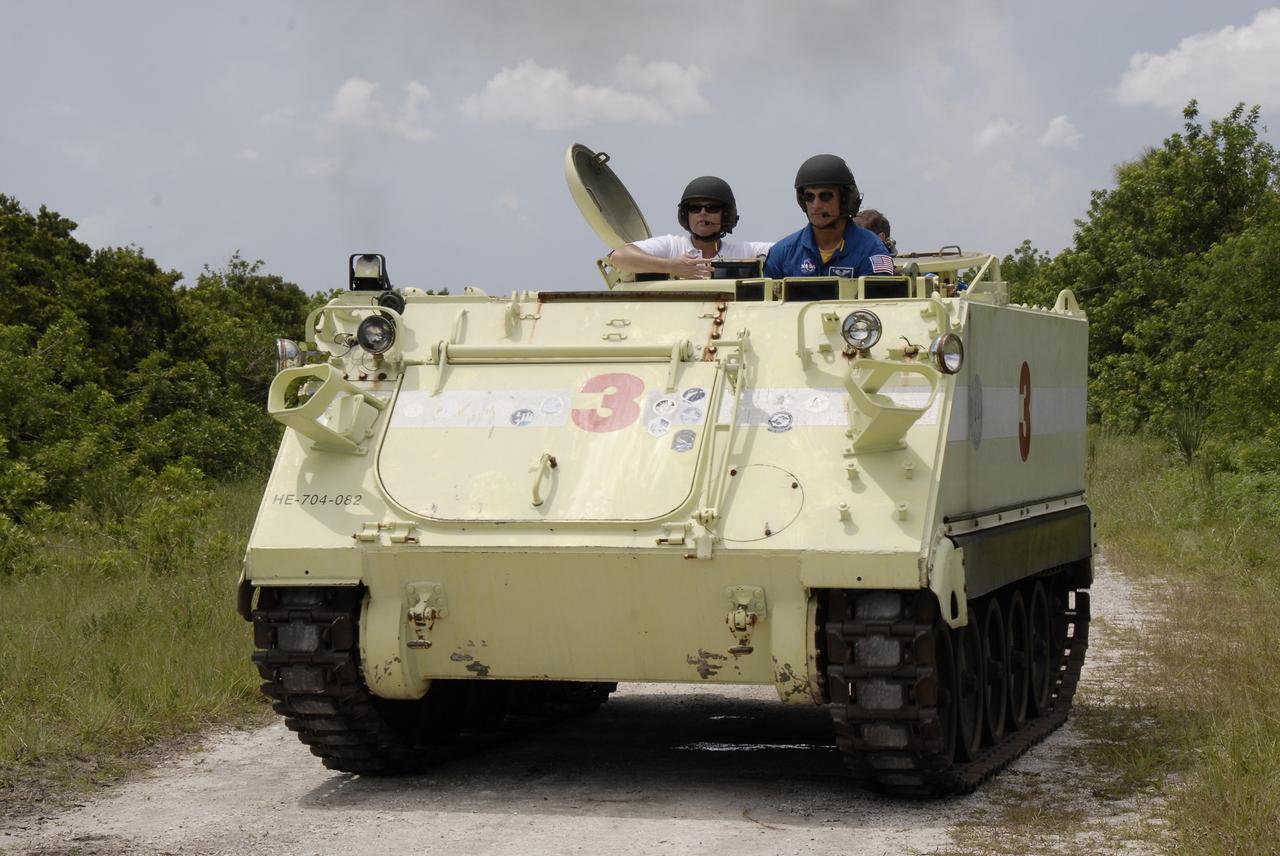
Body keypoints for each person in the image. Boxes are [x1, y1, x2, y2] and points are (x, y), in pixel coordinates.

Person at [608, 176, 774, 279]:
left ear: (726, 215)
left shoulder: (744, 252)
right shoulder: (671, 247)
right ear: (685, 215)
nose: (702, 213)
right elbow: (619, 257)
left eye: (712, 208)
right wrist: (670, 266)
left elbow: (790, 251)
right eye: (695, 208)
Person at [764, 155, 893, 278]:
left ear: (844, 200)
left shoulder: (872, 251)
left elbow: (878, 299)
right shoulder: (782, 254)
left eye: (825, 196)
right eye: (809, 197)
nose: (816, 205)